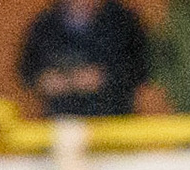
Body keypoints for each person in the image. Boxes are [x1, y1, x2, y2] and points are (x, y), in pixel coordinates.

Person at [19, 0, 150, 117]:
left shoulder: (123, 21)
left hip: (114, 118)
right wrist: (44, 80)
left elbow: (142, 67)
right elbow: (27, 69)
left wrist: (105, 78)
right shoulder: (46, 24)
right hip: (62, 121)